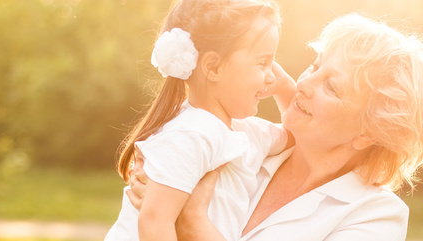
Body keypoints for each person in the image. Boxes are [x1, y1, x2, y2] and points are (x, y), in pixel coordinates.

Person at [129, 13, 423, 240]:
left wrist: (192, 222)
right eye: (315, 66)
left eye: (331, 87)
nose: (305, 82)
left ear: (369, 132)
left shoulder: (375, 217)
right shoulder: (240, 138)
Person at [104, 0, 295, 240]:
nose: (271, 77)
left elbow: (298, 132)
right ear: (213, 67)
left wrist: (286, 88)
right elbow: (154, 222)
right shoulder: (190, 134)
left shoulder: (249, 134)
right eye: (263, 63)